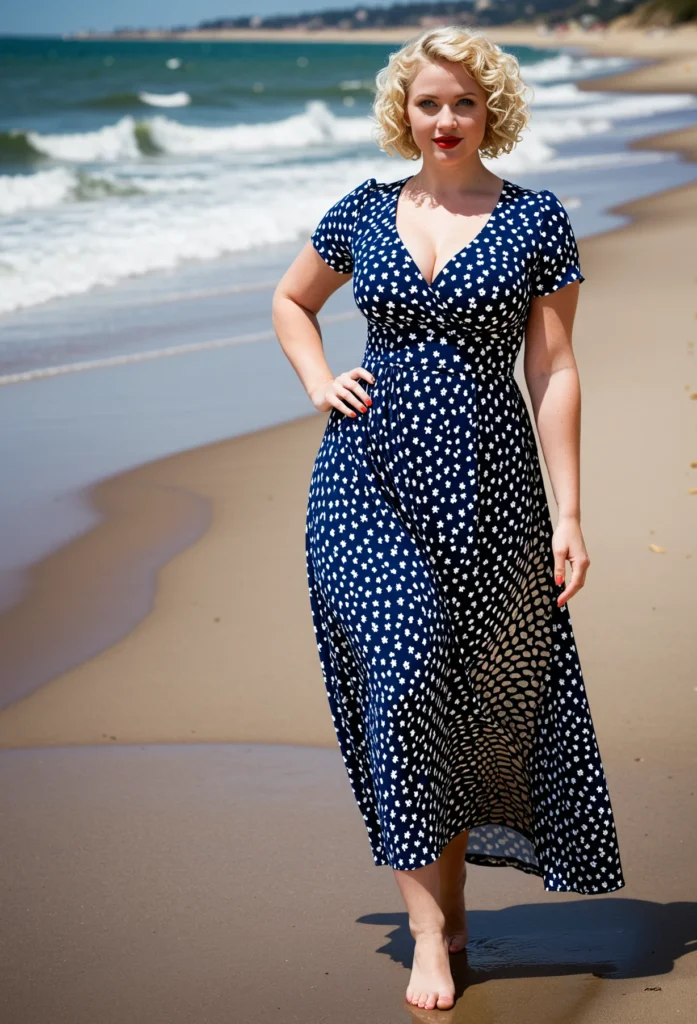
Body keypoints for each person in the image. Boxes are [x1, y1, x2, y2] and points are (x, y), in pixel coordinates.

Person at [272, 24, 625, 1012]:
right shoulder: (362, 210)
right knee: (403, 671)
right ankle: (428, 929)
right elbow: (291, 302)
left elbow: (552, 369)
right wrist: (316, 378)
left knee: (468, 703)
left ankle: (452, 893)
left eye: (462, 103)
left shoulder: (535, 219)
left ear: (490, 111)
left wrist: (571, 512)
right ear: (404, 110)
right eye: (427, 102)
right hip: (364, 480)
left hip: (488, 488)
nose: (443, 119)